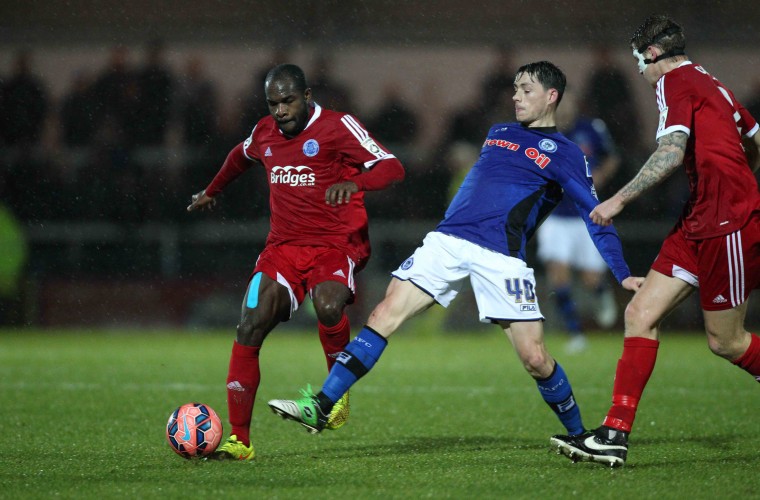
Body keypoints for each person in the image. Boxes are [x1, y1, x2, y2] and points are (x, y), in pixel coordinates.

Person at [267, 61, 642, 440]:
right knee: (384, 313)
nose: (515, 96)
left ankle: (581, 436)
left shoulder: (566, 153)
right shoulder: (497, 133)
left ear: (551, 96)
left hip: (500, 257)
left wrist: (622, 272)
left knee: (535, 358)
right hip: (447, 241)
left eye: (526, 90)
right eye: (514, 89)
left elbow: (596, 214)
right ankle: (323, 405)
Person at [550, 15, 760, 468]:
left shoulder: (673, 82)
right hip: (698, 218)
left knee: (727, 342)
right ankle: (613, 435)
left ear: (651, 56)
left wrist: (619, 200)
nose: (641, 74)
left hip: (726, 222)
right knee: (640, 312)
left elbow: (670, 151)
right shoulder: (710, 81)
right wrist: (743, 174)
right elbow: (755, 137)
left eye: (638, 62)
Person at [186, 63, 405, 460]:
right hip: (283, 248)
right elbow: (240, 155)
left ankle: (334, 397)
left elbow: (392, 167)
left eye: (288, 101)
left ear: (306, 97)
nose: (280, 111)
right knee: (249, 324)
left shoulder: (338, 127)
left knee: (326, 304)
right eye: (273, 103)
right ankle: (240, 441)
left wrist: (354, 181)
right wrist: (213, 190)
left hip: (336, 244)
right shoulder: (265, 132)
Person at [537, 91, 621, 353]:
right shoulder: (542, 134)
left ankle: (601, 292)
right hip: (555, 217)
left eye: (567, 103)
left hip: (588, 214)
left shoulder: (591, 129)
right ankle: (575, 333)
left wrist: (601, 175)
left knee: (589, 278)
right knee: (558, 275)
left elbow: (612, 157)